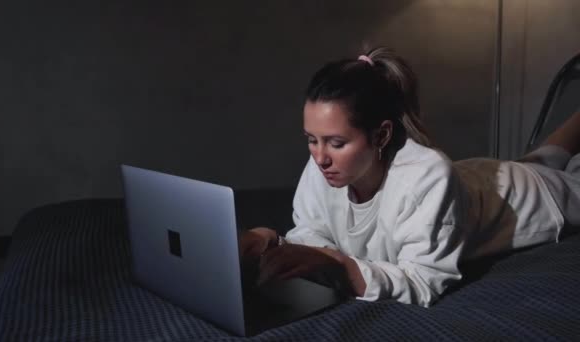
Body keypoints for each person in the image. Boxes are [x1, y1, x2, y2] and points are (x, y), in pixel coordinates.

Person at [240, 47, 580, 307]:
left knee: (549, 170)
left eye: (336, 142)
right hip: (482, 179)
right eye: (312, 139)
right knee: (544, 157)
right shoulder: (323, 165)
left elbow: (422, 282)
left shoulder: (426, 177)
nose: (320, 157)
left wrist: (340, 266)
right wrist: (273, 242)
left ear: (382, 135)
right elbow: (313, 232)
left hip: (532, 198)